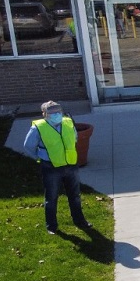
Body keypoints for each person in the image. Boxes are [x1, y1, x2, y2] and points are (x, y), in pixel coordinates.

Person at [23, 101, 91, 235]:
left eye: (58, 111)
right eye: (52, 112)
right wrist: (41, 157)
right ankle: (51, 226)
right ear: (44, 114)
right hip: (51, 167)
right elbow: (28, 146)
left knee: (75, 195)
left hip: (70, 165)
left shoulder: (68, 122)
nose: (56, 114)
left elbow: (75, 138)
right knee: (52, 197)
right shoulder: (38, 128)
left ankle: (80, 221)